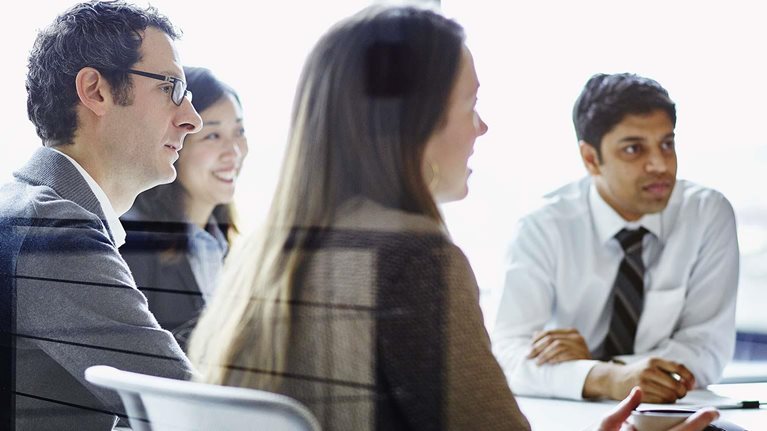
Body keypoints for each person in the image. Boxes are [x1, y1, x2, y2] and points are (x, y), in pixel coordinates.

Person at [187, 6, 717, 431]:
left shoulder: (262, 255)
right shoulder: (414, 261)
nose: (481, 128)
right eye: (472, 105)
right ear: (415, 121)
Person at [0, 1, 202, 429]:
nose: (192, 119)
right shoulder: (54, 230)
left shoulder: (22, 208)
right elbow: (190, 416)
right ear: (95, 91)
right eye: (172, 88)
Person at [491, 73, 739, 404]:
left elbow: (706, 348)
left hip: (668, 414)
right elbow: (507, 355)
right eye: (634, 149)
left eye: (667, 144)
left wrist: (602, 371)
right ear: (591, 159)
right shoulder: (543, 226)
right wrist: (605, 378)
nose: (659, 164)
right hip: (567, 417)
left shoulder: (707, 214)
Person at [121, 67, 247, 350]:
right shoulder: (132, 243)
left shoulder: (223, 247)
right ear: (175, 145)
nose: (234, 151)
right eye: (213, 136)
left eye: (239, 131)